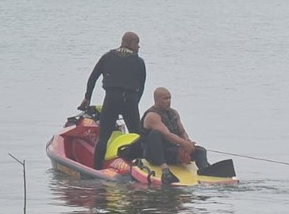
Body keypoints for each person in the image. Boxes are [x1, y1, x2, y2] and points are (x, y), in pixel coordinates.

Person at [79, 31, 146, 169]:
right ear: (130, 43)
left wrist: (87, 97)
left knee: (103, 137)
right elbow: (142, 85)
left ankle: (96, 168)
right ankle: (140, 166)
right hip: (130, 99)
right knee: (137, 135)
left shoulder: (108, 57)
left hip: (111, 98)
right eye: (137, 43)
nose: (139, 47)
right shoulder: (138, 61)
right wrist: (135, 103)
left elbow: (93, 78)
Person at [140, 87, 210, 185]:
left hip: (171, 151)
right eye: (165, 99)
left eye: (169, 98)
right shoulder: (152, 116)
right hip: (155, 153)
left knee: (201, 151)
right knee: (155, 134)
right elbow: (167, 135)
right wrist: (184, 144)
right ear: (156, 100)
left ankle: (205, 171)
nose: (168, 101)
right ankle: (165, 170)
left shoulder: (174, 113)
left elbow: (182, 132)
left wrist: (188, 144)